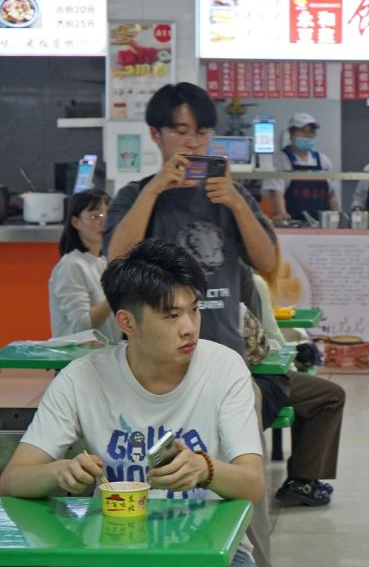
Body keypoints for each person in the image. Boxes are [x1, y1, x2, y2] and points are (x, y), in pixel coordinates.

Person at [0, 239, 264, 567]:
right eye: (171, 315)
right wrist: (59, 472)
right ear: (127, 322)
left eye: (194, 310)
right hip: (113, 548)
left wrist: (205, 469)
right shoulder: (81, 378)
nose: (189, 328)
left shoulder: (224, 368)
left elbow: (253, 484)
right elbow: (12, 481)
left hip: (214, 549)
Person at [103, 82, 276, 566]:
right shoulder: (136, 195)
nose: (193, 142)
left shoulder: (230, 196)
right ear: (155, 135)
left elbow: (266, 262)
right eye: (180, 131)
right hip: (147, 374)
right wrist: (155, 188)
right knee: (155, 481)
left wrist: (237, 203)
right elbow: (115, 260)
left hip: (225, 367)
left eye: (202, 132)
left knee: (243, 487)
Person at [240, 261, 345, 507]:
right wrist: (296, 360)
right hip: (255, 380)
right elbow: (270, 338)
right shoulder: (249, 280)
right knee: (329, 395)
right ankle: (302, 482)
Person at [48, 188, 120, 343]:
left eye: (108, 215)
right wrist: (117, 296)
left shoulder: (105, 261)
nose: (104, 222)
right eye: (95, 216)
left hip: (106, 352)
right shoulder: (71, 266)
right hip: (78, 356)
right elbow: (81, 325)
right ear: (76, 222)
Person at [262, 113, 340, 223]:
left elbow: (331, 194)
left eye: (311, 131)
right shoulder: (280, 160)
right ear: (291, 134)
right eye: (302, 131)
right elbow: (276, 192)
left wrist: (337, 217)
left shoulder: (323, 160)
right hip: (294, 222)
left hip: (322, 223)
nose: (307, 135)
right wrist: (282, 214)